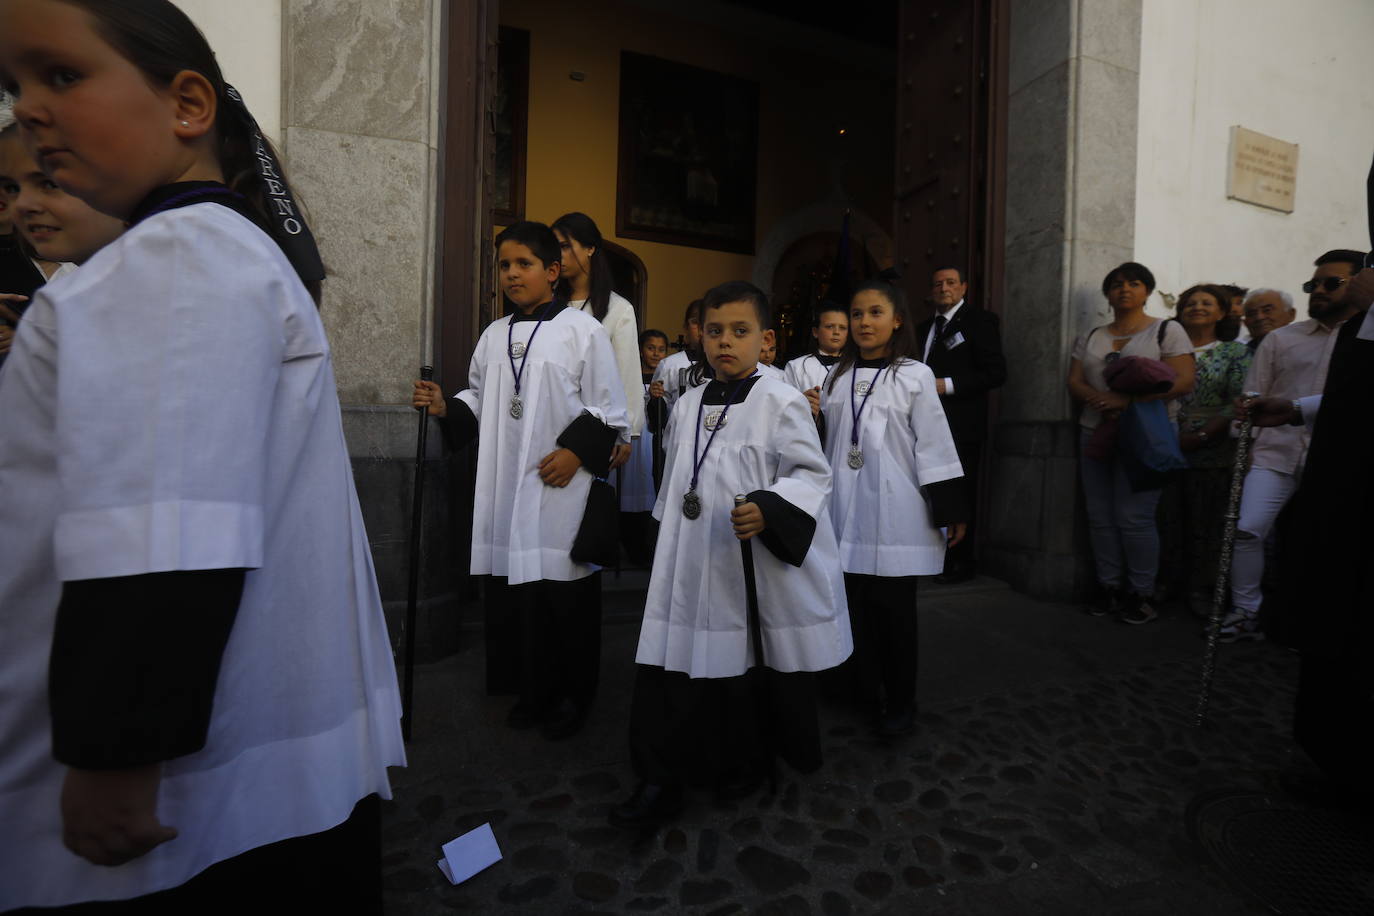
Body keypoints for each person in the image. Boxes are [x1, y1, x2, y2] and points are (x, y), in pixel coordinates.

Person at [0, 1, 406, 912]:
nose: (29, 107)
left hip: (176, 788)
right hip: (244, 763)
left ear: (188, 105)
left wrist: (113, 752)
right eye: (15, 85)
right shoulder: (210, 251)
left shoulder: (174, 260)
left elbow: (167, 520)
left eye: (60, 76)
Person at [612, 281, 851, 827]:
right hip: (690, 556)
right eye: (714, 331)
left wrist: (770, 506)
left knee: (739, 665)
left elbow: (811, 474)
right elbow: (677, 478)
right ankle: (663, 774)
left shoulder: (781, 399)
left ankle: (737, 759)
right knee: (675, 662)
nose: (725, 342)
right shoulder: (688, 401)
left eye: (740, 332)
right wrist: (663, 537)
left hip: (744, 559)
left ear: (765, 340)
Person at [413, 221, 628, 741]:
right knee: (519, 597)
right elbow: (478, 397)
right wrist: (448, 406)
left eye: (523, 264)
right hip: (507, 482)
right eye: (505, 265)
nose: (512, 274)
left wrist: (576, 453)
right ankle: (532, 690)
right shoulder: (493, 335)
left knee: (564, 596)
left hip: (561, 487)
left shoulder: (584, 331)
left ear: (552, 271)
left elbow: (608, 408)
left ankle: (575, 696)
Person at [1241, 271, 1372, 806]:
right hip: (1303, 459)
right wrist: (1293, 410)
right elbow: (1357, 393)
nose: (1327, 288)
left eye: (1338, 277)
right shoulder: (1344, 332)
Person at [817, 279, 967, 738]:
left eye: (875, 312)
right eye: (857, 314)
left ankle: (901, 701)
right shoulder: (836, 377)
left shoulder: (913, 375)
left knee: (895, 616)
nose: (864, 322)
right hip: (845, 510)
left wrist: (950, 508)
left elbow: (935, 445)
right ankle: (861, 690)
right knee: (853, 607)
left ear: (896, 319)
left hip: (897, 513)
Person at [1228, 249, 1365, 641]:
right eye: (1312, 284)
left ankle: (1314, 621)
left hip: (1338, 458)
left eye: (1331, 283)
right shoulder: (1281, 339)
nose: (1318, 290)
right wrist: (1247, 437)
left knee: (1322, 543)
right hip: (1276, 453)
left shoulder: (1365, 341)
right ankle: (1245, 611)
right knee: (1248, 528)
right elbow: (1254, 394)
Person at [1067, 262, 1195, 624]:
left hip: (1146, 432)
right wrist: (1097, 399)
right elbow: (1075, 380)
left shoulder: (1166, 331)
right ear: (1108, 294)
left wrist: (1127, 402)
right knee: (1100, 516)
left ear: (1147, 291)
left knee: (1134, 516)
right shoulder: (1092, 335)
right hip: (1095, 429)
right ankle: (1109, 588)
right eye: (1117, 284)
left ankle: (1142, 593)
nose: (1124, 289)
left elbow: (1183, 381)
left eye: (1134, 283)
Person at [915, 266, 1007, 583]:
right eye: (937, 283)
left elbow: (996, 373)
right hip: (923, 426)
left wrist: (948, 385)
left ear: (964, 287)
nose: (943, 288)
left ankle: (960, 563)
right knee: (932, 490)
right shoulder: (923, 327)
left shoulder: (979, 321)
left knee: (961, 492)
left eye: (950, 282)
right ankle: (932, 556)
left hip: (961, 425)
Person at [1171, 284, 1251, 617]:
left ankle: (1203, 591)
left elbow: (1238, 402)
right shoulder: (1166, 349)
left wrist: (1202, 435)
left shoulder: (1234, 352)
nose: (1197, 307)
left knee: (1208, 523)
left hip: (1212, 452)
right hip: (1162, 446)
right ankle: (1167, 586)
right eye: (1190, 303)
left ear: (1221, 312)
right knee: (1169, 520)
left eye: (1206, 302)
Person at [553, 211, 640, 471]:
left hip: (594, 425)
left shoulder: (618, 309)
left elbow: (626, 373)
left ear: (590, 248)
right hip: (552, 417)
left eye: (566, 246)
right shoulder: (549, 306)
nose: (559, 255)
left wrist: (626, 431)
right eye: (554, 248)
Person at [619, 328, 668, 566]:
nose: (656, 354)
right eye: (651, 348)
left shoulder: (664, 377)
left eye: (661, 349)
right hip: (631, 439)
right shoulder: (630, 375)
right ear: (640, 350)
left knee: (648, 488)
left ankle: (644, 546)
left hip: (650, 441)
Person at [649, 298, 705, 414]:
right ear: (686, 327)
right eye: (695, 322)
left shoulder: (723, 364)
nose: (701, 329)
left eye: (706, 322)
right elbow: (657, 419)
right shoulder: (670, 365)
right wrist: (655, 399)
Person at [784, 301, 848, 393]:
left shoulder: (855, 365)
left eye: (842, 328)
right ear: (815, 332)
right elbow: (786, 402)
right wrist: (803, 401)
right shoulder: (797, 367)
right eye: (830, 326)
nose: (836, 332)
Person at [1240, 287, 1295, 352]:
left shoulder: (1306, 348)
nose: (1259, 317)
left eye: (1267, 310)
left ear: (1291, 314)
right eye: (1252, 313)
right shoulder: (1238, 357)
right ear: (1245, 322)